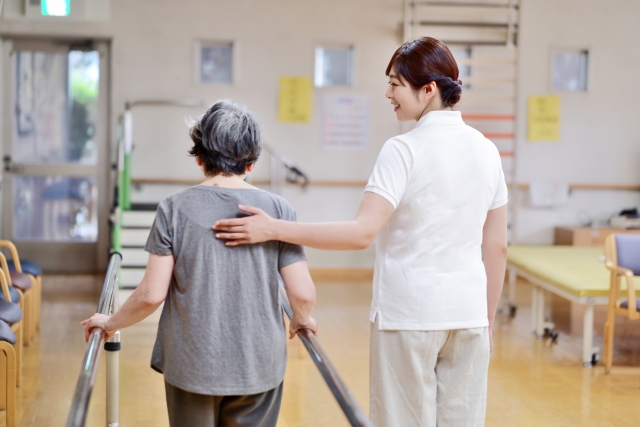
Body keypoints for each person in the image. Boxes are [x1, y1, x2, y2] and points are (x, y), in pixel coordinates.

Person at [213, 37, 508, 427]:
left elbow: (360, 233)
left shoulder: (403, 150)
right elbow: (497, 246)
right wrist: (486, 320)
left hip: (408, 316)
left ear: (428, 89)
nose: (388, 94)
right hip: (468, 315)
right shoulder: (487, 151)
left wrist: (273, 228)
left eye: (395, 84)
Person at [82, 100, 318, 427]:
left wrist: (110, 322)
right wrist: (301, 319)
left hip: (192, 363)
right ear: (251, 164)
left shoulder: (173, 209)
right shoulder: (278, 209)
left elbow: (151, 294)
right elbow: (302, 294)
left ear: (200, 158)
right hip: (258, 363)